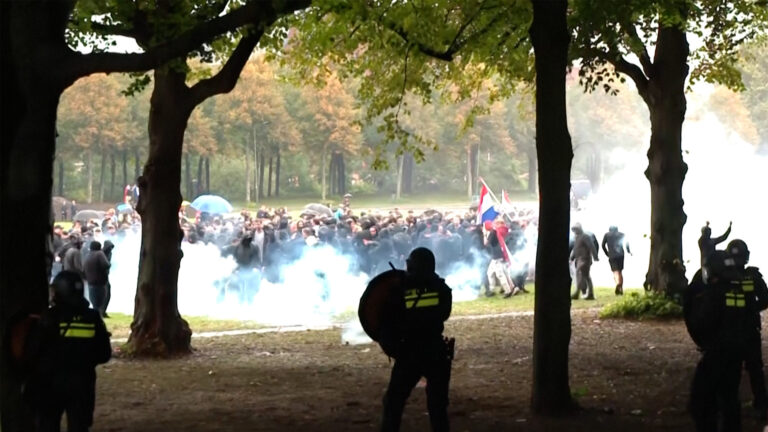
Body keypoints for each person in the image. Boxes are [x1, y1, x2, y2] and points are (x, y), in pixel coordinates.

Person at [25, 271, 112, 432]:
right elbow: (104, 354)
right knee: (79, 425)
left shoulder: (49, 317)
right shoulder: (93, 317)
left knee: (47, 424)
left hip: (50, 383)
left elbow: (33, 351)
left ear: (60, 291)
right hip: (82, 383)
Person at [380, 247, 453, 432]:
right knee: (438, 407)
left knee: (393, 402)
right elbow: (443, 315)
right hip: (435, 350)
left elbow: (388, 318)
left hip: (409, 352)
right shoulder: (442, 289)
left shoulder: (400, 290)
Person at [686, 250, 748, 432]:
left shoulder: (714, 294)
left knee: (701, 402)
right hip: (736, 352)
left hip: (717, 353)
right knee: (729, 398)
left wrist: (692, 302)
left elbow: (701, 323)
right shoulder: (740, 291)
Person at [726, 239, 768, 420]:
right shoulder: (752, 276)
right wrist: (752, 309)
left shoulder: (723, 277)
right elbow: (765, 299)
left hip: (731, 330)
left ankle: (730, 406)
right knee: (754, 369)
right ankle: (761, 404)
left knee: (731, 369)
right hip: (747, 329)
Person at [571, 223, 599, 300]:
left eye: (576, 229)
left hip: (585, 259)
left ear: (580, 229)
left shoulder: (585, 237)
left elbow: (592, 246)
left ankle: (577, 293)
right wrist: (572, 257)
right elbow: (575, 248)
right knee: (586, 276)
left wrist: (595, 257)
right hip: (579, 259)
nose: (575, 231)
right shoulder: (577, 238)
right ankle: (590, 294)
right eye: (574, 230)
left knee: (580, 273)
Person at [602, 226, 632, 296]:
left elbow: (603, 245)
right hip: (621, 255)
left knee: (615, 271)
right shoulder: (621, 234)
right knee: (620, 271)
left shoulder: (607, 235)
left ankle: (618, 284)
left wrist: (607, 253)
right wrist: (628, 251)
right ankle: (620, 288)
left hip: (612, 255)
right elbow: (627, 243)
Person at [84, 241, 110, 318]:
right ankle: (98, 317)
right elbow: (106, 265)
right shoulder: (99, 254)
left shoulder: (87, 255)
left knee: (94, 302)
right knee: (101, 300)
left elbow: (83, 268)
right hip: (100, 281)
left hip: (90, 281)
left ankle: (96, 316)